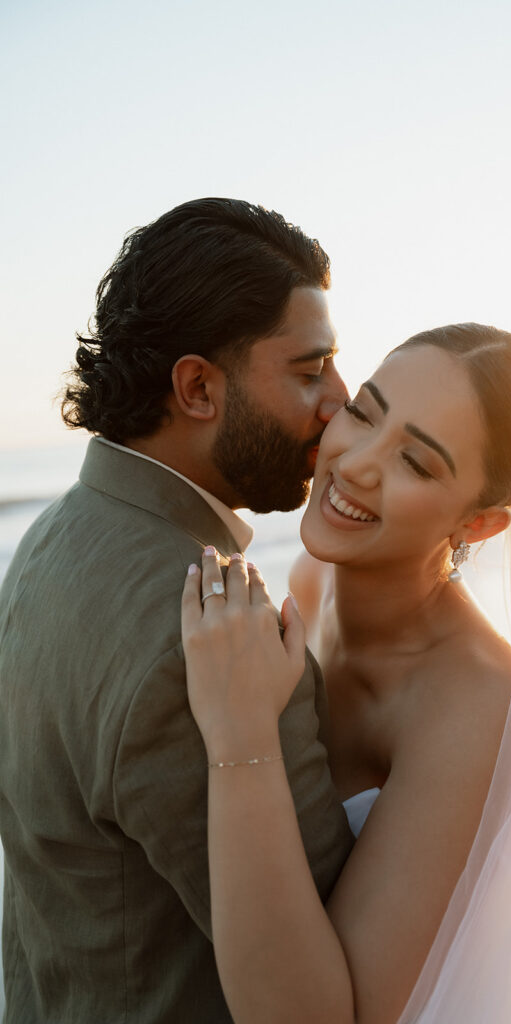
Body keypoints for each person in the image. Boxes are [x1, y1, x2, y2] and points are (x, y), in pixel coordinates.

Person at [182, 324, 511, 1023]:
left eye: (417, 463)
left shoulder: (472, 703)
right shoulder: (311, 582)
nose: (357, 463)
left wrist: (238, 733)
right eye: (365, 411)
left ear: (480, 525)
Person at [0, 198, 354, 1023]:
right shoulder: (206, 633)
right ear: (196, 386)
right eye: (309, 370)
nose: (339, 400)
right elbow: (327, 955)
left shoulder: (55, 537)